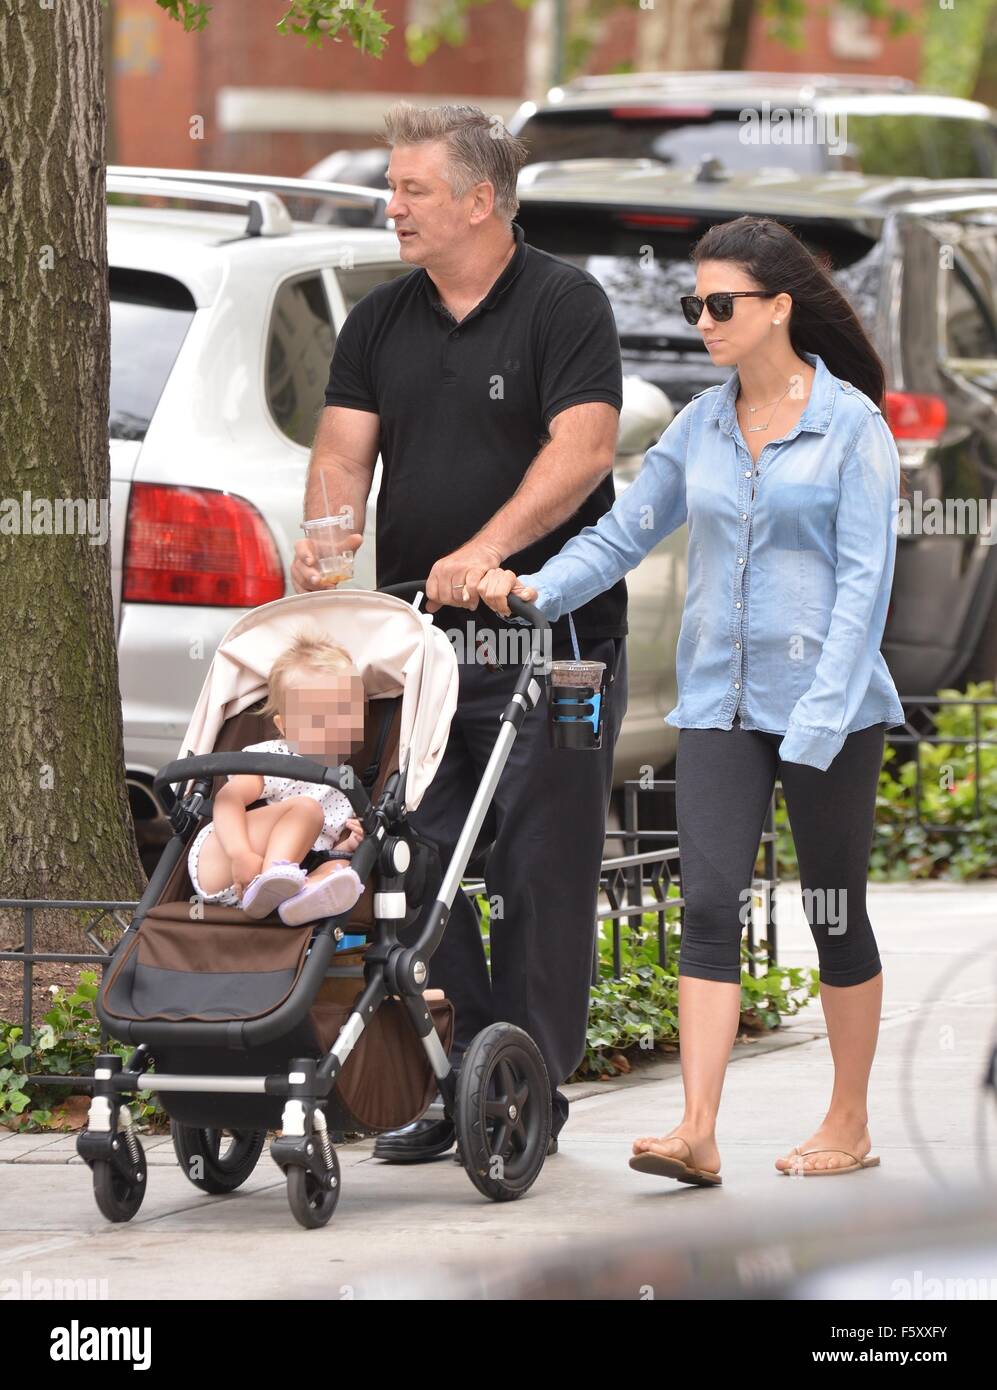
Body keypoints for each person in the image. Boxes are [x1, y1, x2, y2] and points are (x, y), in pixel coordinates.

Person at [479, 214, 906, 1183]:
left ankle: (847, 1119)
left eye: (720, 304)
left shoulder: (852, 428)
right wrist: (535, 587)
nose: (702, 320)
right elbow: (624, 533)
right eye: (692, 303)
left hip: (828, 709)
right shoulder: (699, 425)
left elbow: (863, 582)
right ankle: (697, 1128)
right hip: (719, 704)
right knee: (707, 902)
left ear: (778, 308)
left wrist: (819, 714)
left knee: (833, 909)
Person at [291, 101, 629, 1158]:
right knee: (403, 857)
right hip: (421, 646)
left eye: (413, 190)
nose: (391, 206)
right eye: (391, 189)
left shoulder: (565, 305)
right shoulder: (379, 320)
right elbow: (344, 452)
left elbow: (579, 453)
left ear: (481, 200)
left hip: (550, 641)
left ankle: (523, 1087)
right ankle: (468, 1073)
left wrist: (488, 553)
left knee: (539, 868)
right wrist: (326, 538)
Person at [187, 630, 367, 926]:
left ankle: (301, 898)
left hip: (293, 868)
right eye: (318, 719)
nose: (335, 727)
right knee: (307, 810)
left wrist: (349, 845)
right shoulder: (276, 758)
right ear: (285, 727)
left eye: (345, 714)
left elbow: (323, 846)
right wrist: (240, 853)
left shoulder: (344, 784)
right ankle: (272, 882)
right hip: (225, 858)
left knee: (340, 866)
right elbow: (228, 798)